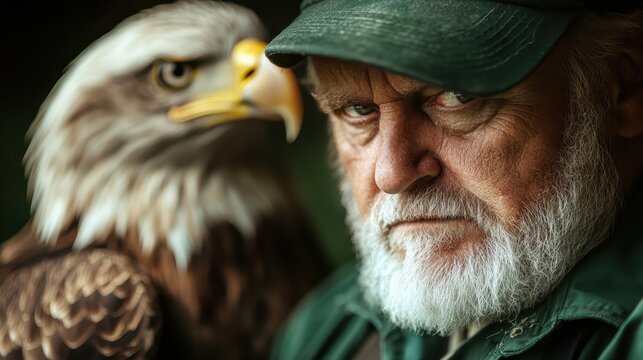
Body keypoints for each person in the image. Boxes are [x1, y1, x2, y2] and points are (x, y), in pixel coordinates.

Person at [263, 0, 643, 359]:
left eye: (458, 97)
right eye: (358, 110)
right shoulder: (322, 327)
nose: (392, 173)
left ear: (623, 89)